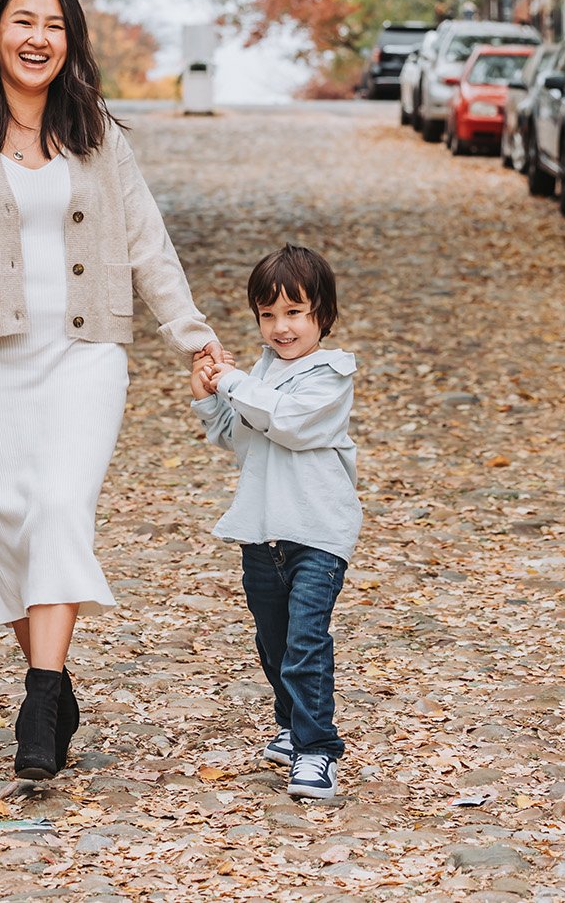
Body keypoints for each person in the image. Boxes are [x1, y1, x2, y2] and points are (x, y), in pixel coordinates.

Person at [0, 0, 219, 782]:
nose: (37, 38)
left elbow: (147, 243)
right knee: (11, 523)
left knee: (58, 506)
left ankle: (42, 697)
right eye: (22, 21)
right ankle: (55, 684)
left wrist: (193, 335)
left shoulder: (99, 134)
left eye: (54, 24)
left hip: (86, 355)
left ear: (71, 41)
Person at [191, 244, 359, 800]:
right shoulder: (260, 375)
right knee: (274, 640)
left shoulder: (331, 374)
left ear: (323, 316)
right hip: (264, 530)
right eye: (268, 315)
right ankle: (291, 723)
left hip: (317, 532)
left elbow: (284, 422)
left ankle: (317, 751)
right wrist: (210, 400)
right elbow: (240, 440)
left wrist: (233, 382)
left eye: (295, 312)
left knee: (306, 641)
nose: (281, 327)